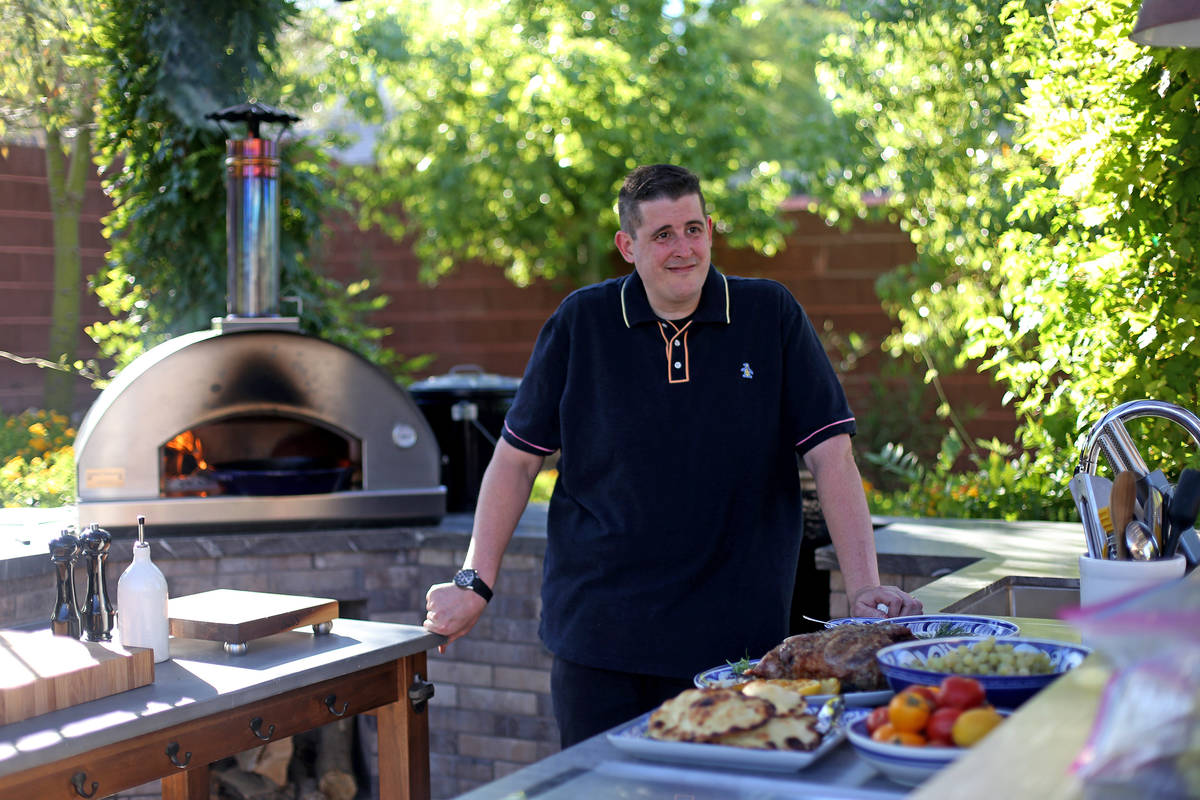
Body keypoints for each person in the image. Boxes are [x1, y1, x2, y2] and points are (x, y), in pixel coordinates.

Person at [424, 163, 922, 747]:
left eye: (693, 228)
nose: (683, 248)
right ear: (627, 246)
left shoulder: (769, 315)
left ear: (711, 229)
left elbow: (831, 457)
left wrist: (864, 587)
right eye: (662, 235)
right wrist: (473, 581)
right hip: (599, 640)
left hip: (738, 645)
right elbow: (514, 461)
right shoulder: (581, 323)